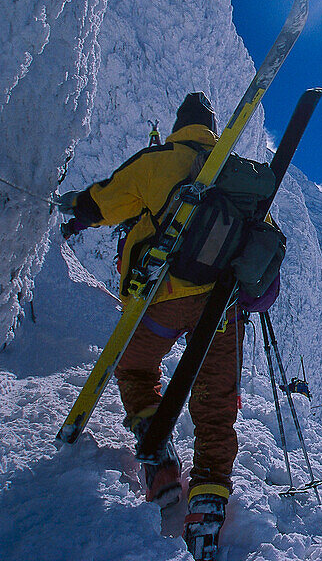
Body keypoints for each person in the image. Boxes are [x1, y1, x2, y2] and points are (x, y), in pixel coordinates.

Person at [57, 92, 254, 524]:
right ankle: (208, 498)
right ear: (214, 128)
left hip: (160, 304)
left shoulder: (158, 160)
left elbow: (106, 201)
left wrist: (75, 208)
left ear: (179, 125)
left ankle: (158, 454)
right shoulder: (237, 174)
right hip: (220, 314)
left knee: (136, 370)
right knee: (216, 406)